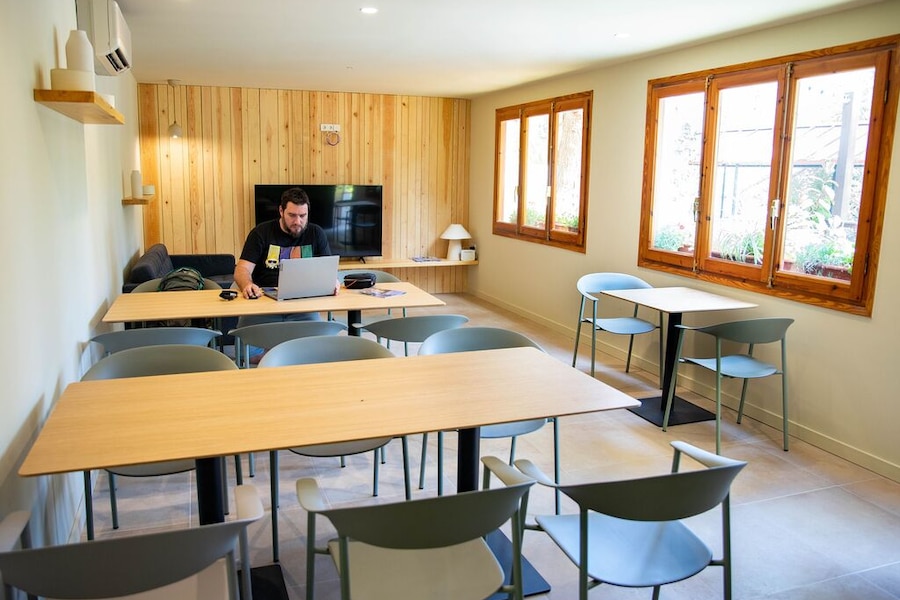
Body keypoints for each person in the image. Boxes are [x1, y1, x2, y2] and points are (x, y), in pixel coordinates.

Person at [233, 187, 337, 327]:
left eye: (303, 216)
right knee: (246, 334)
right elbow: (242, 269)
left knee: (318, 337)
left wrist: (332, 282)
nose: (298, 221)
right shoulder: (260, 233)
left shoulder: (316, 233)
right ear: (281, 211)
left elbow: (327, 270)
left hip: (303, 306)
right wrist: (247, 285)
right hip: (264, 303)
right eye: (292, 215)